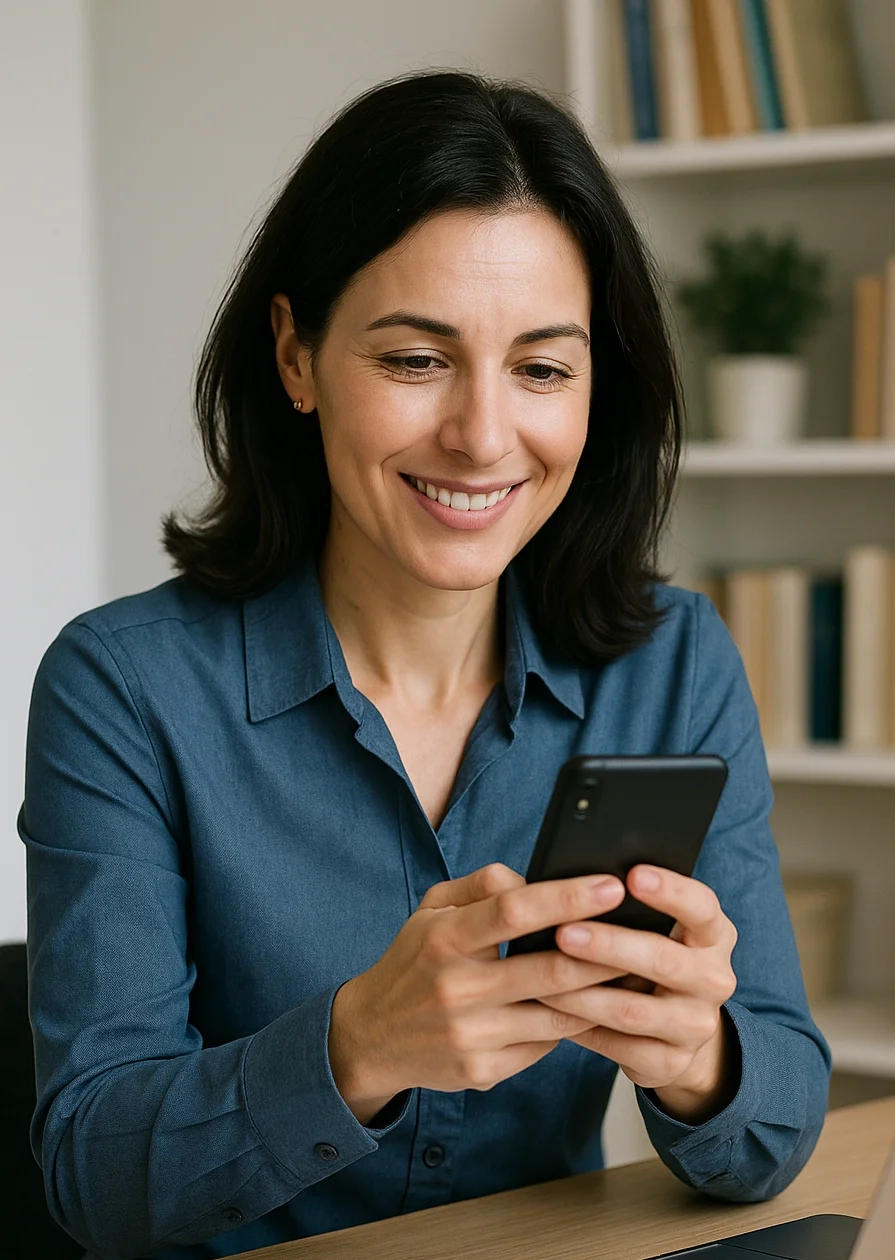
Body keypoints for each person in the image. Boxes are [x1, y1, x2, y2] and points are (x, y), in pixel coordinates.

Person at [21, 71, 829, 1259]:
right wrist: (358, 1046)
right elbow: (94, 1175)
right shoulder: (124, 689)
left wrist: (700, 1057)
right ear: (295, 356)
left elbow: (779, 1124)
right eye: (415, 359)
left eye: (542, 370)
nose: (483, 437)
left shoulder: (674, 663)